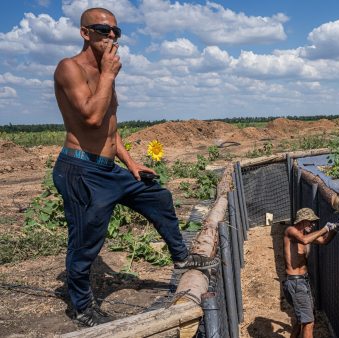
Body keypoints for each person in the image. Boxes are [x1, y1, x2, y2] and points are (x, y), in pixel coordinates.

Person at [52, 7, 219, 327]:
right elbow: (90, 118)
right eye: (103, 30)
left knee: (158, 196)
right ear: (85, 33)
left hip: (109, 168)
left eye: (116, 31)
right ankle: (82, 306)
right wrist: (110, 75)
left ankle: (182, 257)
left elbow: (109, 130)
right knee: (85, 242)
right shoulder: (69, 68)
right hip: (80, 169)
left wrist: (131, 164)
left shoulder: (104, 73)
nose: (111, 36)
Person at [283, 208, 339, 338]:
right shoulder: (291, 231)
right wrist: (325, 229)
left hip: (302, 282)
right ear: (302, 221)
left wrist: (334, 230)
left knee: (302, 318)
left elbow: (324, 241)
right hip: (295, 283)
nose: (313, 224)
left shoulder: (304, 235)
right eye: (311, 222)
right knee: (308, 322)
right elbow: (304, 240)